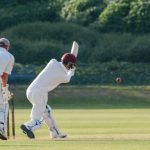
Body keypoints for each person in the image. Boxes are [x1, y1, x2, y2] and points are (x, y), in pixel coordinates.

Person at [20, 52, 77, 139]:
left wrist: (69, 66)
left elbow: (62, 67)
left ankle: (55, 133)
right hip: (39, 93)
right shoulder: (62, 76)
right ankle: (28, 126)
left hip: (30, 90)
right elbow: (67, 78)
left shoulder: (53, 62)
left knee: (47, 111)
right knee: (38, 118)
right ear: (69, 64)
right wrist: (72, 70)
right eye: (71, 65)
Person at [0, 38, 15, 140]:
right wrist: (4, 89)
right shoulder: (9, 56)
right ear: (7, 46)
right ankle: (1, 128)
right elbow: (4, 75)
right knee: (4, 105)